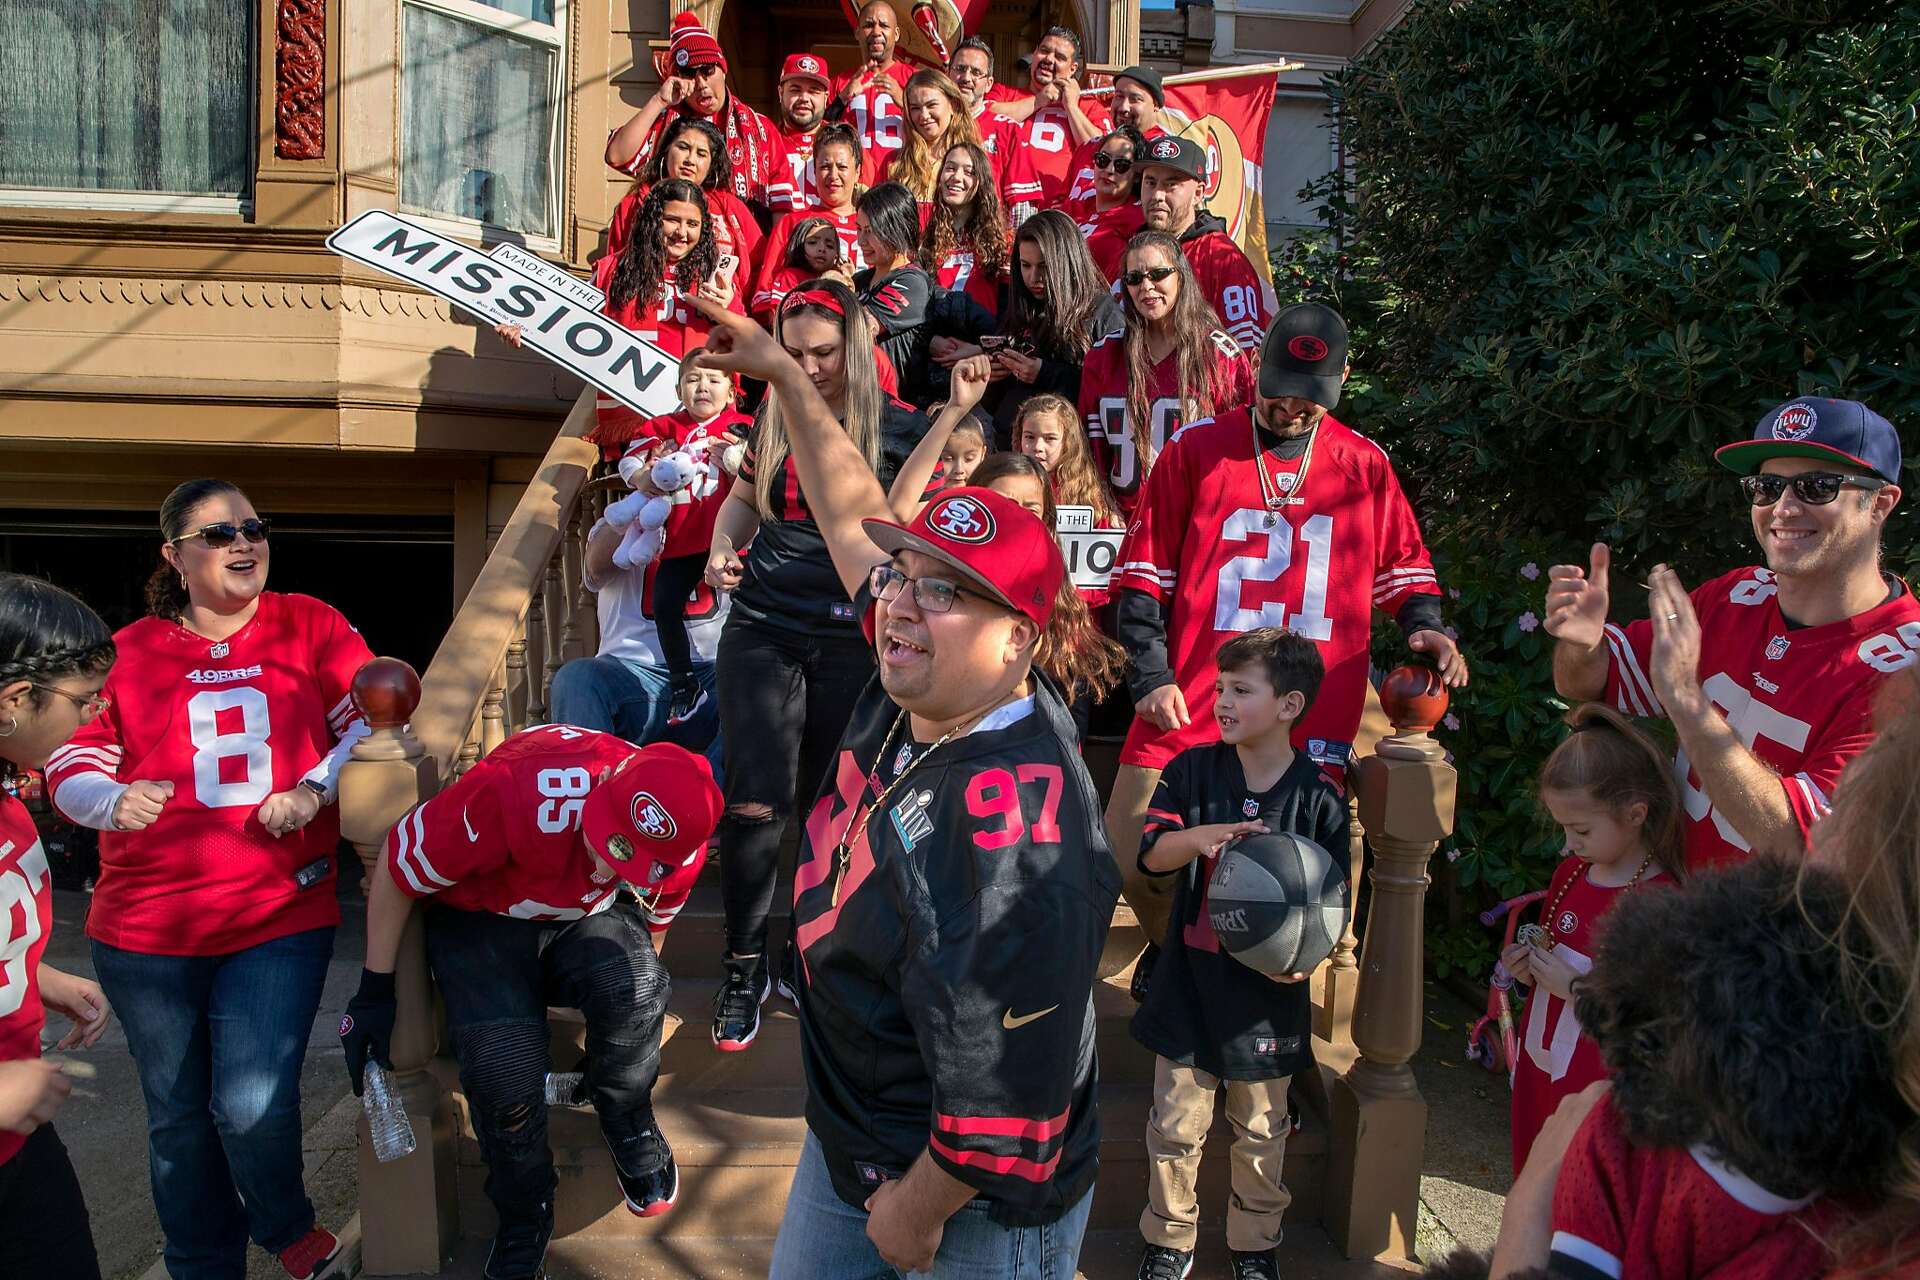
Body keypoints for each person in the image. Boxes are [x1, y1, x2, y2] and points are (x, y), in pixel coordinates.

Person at [685, 292, 1122, 1279]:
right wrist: (791, 378)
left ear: (1021, 638)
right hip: (854, 1140)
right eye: (901, 574)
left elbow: (1016, 1073)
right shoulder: (919, 678)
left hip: (962, 1196)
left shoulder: (1019, 820)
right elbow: (851, 511)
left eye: (942, 587)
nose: (897, 603)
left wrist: (917, 1211)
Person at [46, 479, 374, 1280]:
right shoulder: (126, 652)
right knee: (180, 1121)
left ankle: (285, 1225)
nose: (242, 542)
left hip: (277, 910)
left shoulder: (310, 623)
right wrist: (112, 799)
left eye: (254, 527)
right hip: (146, 927)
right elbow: (68, 759)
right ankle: (201, 1261)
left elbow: (372, 717)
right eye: (218, 531)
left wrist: (316, 788)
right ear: (175, 555)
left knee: (251, 1105)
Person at [1107, 305, 1467, 954]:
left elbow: (1406, 570)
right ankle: (1177, 961)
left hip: (1311, 714)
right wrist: (1150, 676)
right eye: (1279, 391)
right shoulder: (1195, 449)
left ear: (1343, 377)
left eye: (1311, 398)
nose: (1292, 409)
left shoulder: (1364, 464)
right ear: (1255, 369)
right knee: (1130, 850)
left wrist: (1425, 628)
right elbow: (1141, 577)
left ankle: (1237, 1007)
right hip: (1195, 697)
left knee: (1295, 889)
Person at [340, 731, 724, 1279]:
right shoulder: (510, 793)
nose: (610, 857)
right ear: (609, 782)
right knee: (504, 1064)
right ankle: (525, 1207)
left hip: (582, 920)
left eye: (636, 856)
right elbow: (398, 866)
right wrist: (374, 988)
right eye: (613, 837)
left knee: (640, 982)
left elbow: (654, 934)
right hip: (483, 915)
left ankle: (625, 1114)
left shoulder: (678, 837)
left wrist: (628, 1019)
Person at [702, 280, 940, 1053]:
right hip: (764, 624)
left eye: (824, 354)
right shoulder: (773, 415)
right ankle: (744, 965)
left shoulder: (899, 429)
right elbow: (741, 501)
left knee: (834, 808)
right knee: (753, 803)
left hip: (853, 634)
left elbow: (916, 540)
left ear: (860, 350)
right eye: (793, 353)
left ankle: (815, 962)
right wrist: (719, 545)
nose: (806, 368)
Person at [1544, 397, 1917, 869]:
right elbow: (1588, 682)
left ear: (1880, 504)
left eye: (1816, 487)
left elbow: (1804, 843)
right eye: (1766, 487)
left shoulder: (1905, 671)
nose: (1783, 508)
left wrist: (1684, 698)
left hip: (1780, 941)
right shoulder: (1736, 595)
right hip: (1678, 918)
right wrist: (1582, 643)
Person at [1129, 628, 1349, 1280]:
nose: (1222, 701)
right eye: (1220, 687)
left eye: (1240, 690)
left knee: (1262, 1128)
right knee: (1176, 1123)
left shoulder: (1318, 794)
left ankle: (1255, 1246)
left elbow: (1334, 895)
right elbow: (1151, 855)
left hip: (1268, 996)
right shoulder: (1191, 771)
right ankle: (1170, 1239)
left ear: (1288, 704)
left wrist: (1311, 956)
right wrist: (1199, 837)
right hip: (1191, 983)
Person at [1501, 704, 1683, 1175]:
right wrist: (1527, 967)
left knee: (1574, 1186)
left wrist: (1576, 987)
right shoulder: (1570, 872)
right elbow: (1552, 948)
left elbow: (1650, 1012)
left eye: (1580, 829)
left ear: (1636, 814)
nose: (1569, 842)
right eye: (1563, 827)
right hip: (1541, 1066)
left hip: (1593, 1079)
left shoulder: (1658, 900)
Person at [0, 574, 116, 1280]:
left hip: (20, 1144)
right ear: (15, 700)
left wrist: (30, 974)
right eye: (82, 700)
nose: (90, 717)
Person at [609, 359, 753, 724]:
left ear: (731, 394)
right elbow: (630, 462)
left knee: (749, 607)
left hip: (737, 537)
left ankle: (749, 677)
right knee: (665, 603)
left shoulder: (743, 427)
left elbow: (769, 466)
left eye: (713, 379)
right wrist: (644, 475)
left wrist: (737, 460)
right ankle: (683, 681)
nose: (702, 387)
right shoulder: (665, 427)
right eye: (692, 379)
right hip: (686, 536)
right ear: (678, 392)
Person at [1081, 231, 1254, 516]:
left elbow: (1239, 452)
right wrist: (1103, 510)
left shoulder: (1222, 357)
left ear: (1181, 276)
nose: (1146, 286)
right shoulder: (1103, 356)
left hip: (1196, 519)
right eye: (1134, 278)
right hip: (1122, 524)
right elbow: (1091, 451)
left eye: (1158, 274)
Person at [936, 210, 1121, 446]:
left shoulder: (1102, 312)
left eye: (1044, 266)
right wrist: (991, 373)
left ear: (1068, 261)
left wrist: (1044, 373)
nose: (1034, 277)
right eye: (1025, 265)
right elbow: (1001, 402)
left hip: (1071, 452)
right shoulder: (1021, 308)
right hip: (1010, 446)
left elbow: (1112, 391)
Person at [605, 11, 777, 212]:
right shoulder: (665, 122)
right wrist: (659, 101)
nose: (700, 84)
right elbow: (616, 156)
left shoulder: (761, 129)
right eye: (689, 74)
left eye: (707, 71)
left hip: (740, 237)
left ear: (723, 69)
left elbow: (783, 204)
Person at [1136, 136, 1276, 353]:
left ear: (1198, 193)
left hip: (1198, 384)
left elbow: (1245, 352)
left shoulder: (1222, 257)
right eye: (1150, 182)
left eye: (1171, 184)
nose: (1157, 195)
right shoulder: (1131, 253)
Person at [605, 115, 762, 293]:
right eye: (683, 147)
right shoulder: (635, 203)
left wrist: (736, 304)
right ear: (666, 151)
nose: (690, 160)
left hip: (719, 314)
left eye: (701, 154)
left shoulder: (732, 208)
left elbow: (759, 265)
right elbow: (615, 266)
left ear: (712, 163)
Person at [884, 70, 1039, 227]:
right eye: (915, 108)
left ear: (953, 105)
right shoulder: (895, 162)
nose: (924, 115)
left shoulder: (974, 157)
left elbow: (999, 220)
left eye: (931, 105)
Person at [990, 27, 1112, 207]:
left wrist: (1071, 106)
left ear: (1073, 69)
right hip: (1001, 209)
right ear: (1034, 54)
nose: (1048, 59)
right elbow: (982, 118)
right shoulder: (1004, 93)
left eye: (1060, 57)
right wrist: (1038, 101)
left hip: (1058, 217)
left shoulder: (1089, 106)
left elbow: (1105, 154)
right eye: (1044, 51)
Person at [755, 125, 866, 317]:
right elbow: (766, 296)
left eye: (842, 167)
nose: (833, 175)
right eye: (824, 166)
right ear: (813, 171)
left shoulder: (872, 225)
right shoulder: (793, 222)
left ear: (857, 171)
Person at [853, 182, 936, 406]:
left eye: (870, 231)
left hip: (898, 412)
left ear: (896, 228)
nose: (861, 241)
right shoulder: (858, 281)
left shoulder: (913, 281)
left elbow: (859, 327)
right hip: (859, 400)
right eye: (859, 229)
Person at [919, 140, 1010, 314]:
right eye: (950, 168)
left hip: (982, 337)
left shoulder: (1002, 242)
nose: (956, 177)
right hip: (937, 338)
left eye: (969, 172)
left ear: (981, 182)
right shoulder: (926, 239)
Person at [831, 0, 914, 184]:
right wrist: (843, 98)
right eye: (868, 25)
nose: (876, 32)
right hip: (854, 188)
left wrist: (905, 101)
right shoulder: (840, 82)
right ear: (857, 32)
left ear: (896, 34)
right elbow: (820, 132)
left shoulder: (915, 79)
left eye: (884, 25)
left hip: (902, 186)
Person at [1062, 66, 1167, 209]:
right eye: (1119, 96)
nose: (1124, 107)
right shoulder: (1090, 146)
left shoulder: (1160, 151)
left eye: (1135, 99)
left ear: (1155, 104)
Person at [1068, 126, 1148, 283]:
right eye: (1103, 160)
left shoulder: (1137, 218)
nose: (1109, 170)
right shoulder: (1077, 204)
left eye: (1121, 165)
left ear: (1137, 176)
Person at [769, 53, 833, 215]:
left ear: (826, 98)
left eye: (814, 91)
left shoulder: (845, 144)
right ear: (780, 93)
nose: (804, 98)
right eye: (795, 90)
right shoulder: (764, 142)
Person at [754, 214, 846, 323]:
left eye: (829, 246)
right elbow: (777, 316)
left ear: (837, 254)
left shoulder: (835, 281)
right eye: (812, 243)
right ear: (798, 245)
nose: (822, 249)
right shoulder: (789, 277)